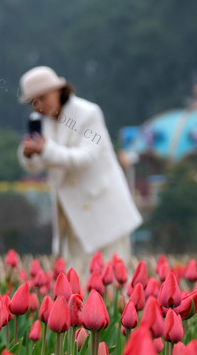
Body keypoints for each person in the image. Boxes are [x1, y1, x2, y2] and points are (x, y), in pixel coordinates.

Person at [16, 66, 141, 276]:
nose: (38, 106)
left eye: (42, 98)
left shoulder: (88, 113)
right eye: (32, 102)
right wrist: (29, 154)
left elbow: (86, 157)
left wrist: (45, 150)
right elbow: (38, 163)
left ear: (58, 90)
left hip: (103, 213)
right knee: (77, 288)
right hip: (71, 218)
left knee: (113, 282)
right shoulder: (40, 121)